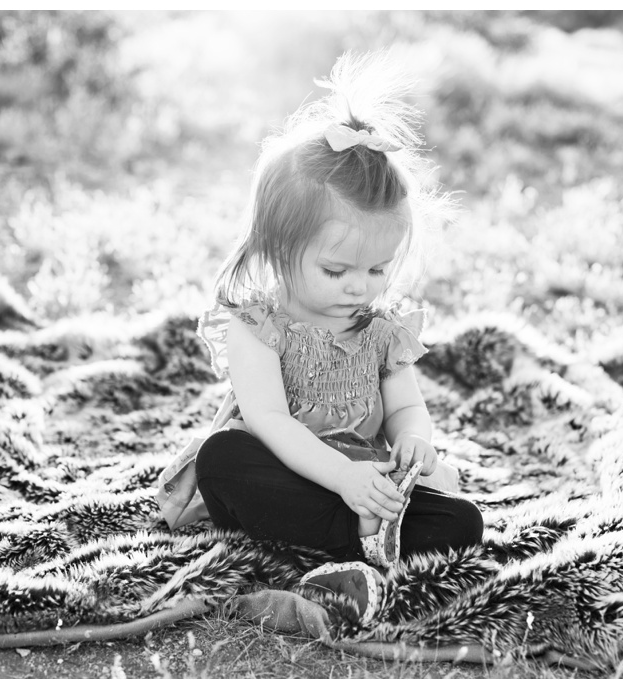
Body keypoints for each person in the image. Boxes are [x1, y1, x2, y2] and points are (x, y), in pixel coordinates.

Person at [156, 53, 483, 623]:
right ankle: (355, 547)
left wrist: (413, 442)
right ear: (276, 251)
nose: (360, 287)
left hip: (367, 480)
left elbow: (406, 405)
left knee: (463, 522)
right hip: (290, 474)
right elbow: (270, 421)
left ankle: (347, 554)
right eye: (337, 271)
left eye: (378, 270)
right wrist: (343, 481)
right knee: (223, 459)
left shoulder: (382, 330)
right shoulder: (258, 327)